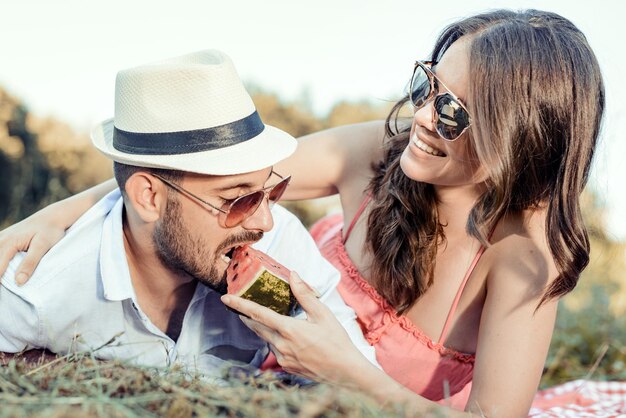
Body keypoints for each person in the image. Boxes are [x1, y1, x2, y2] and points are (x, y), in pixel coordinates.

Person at [0, 9, 605, 417]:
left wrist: (345, 369)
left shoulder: (527, 260)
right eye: (429, 88)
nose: (422, 118)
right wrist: (62, 214)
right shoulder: (379, 152)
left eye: (455, 115)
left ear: (522, 138)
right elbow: (211, 181)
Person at [0, 49, 378, 378]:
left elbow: (358, 375)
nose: (265, 222)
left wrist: (335, 369)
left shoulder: (283, 244)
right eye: (238, 199)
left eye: (272, 190)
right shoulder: (40, 289)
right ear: (149, 197)